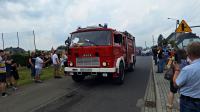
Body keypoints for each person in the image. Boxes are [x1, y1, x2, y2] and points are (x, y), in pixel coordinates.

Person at [174, 42, 200, 112]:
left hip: (189, 103)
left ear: (190, 54)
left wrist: (176, 70)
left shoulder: (187, 69)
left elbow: (176, 85)